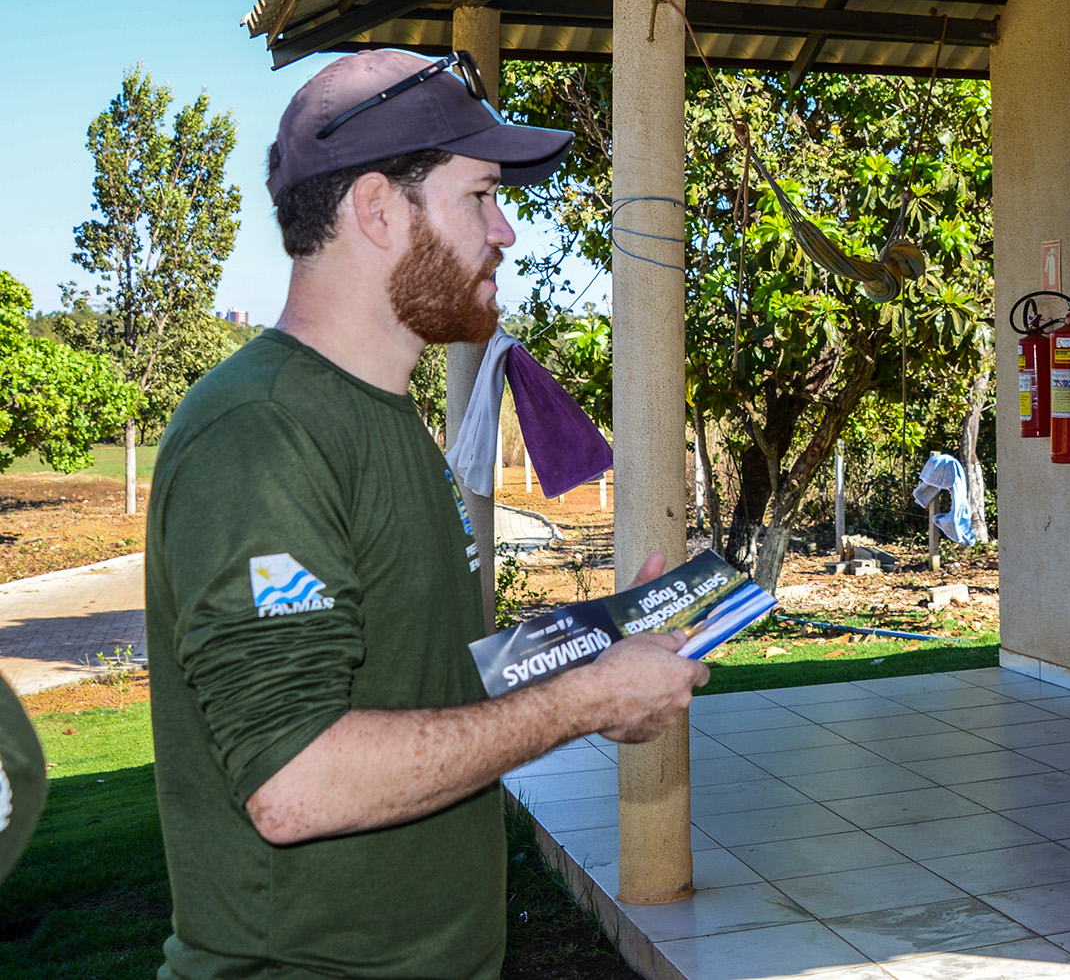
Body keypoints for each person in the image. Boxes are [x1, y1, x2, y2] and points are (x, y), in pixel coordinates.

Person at [145, 49, 711, 980]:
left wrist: (591, 653)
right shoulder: (262, 431)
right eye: (480, 196)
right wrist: (584, 702)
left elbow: (417, 676)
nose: (506, 230)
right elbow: (295, 781)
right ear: (378, 209)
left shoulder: (382, 416)